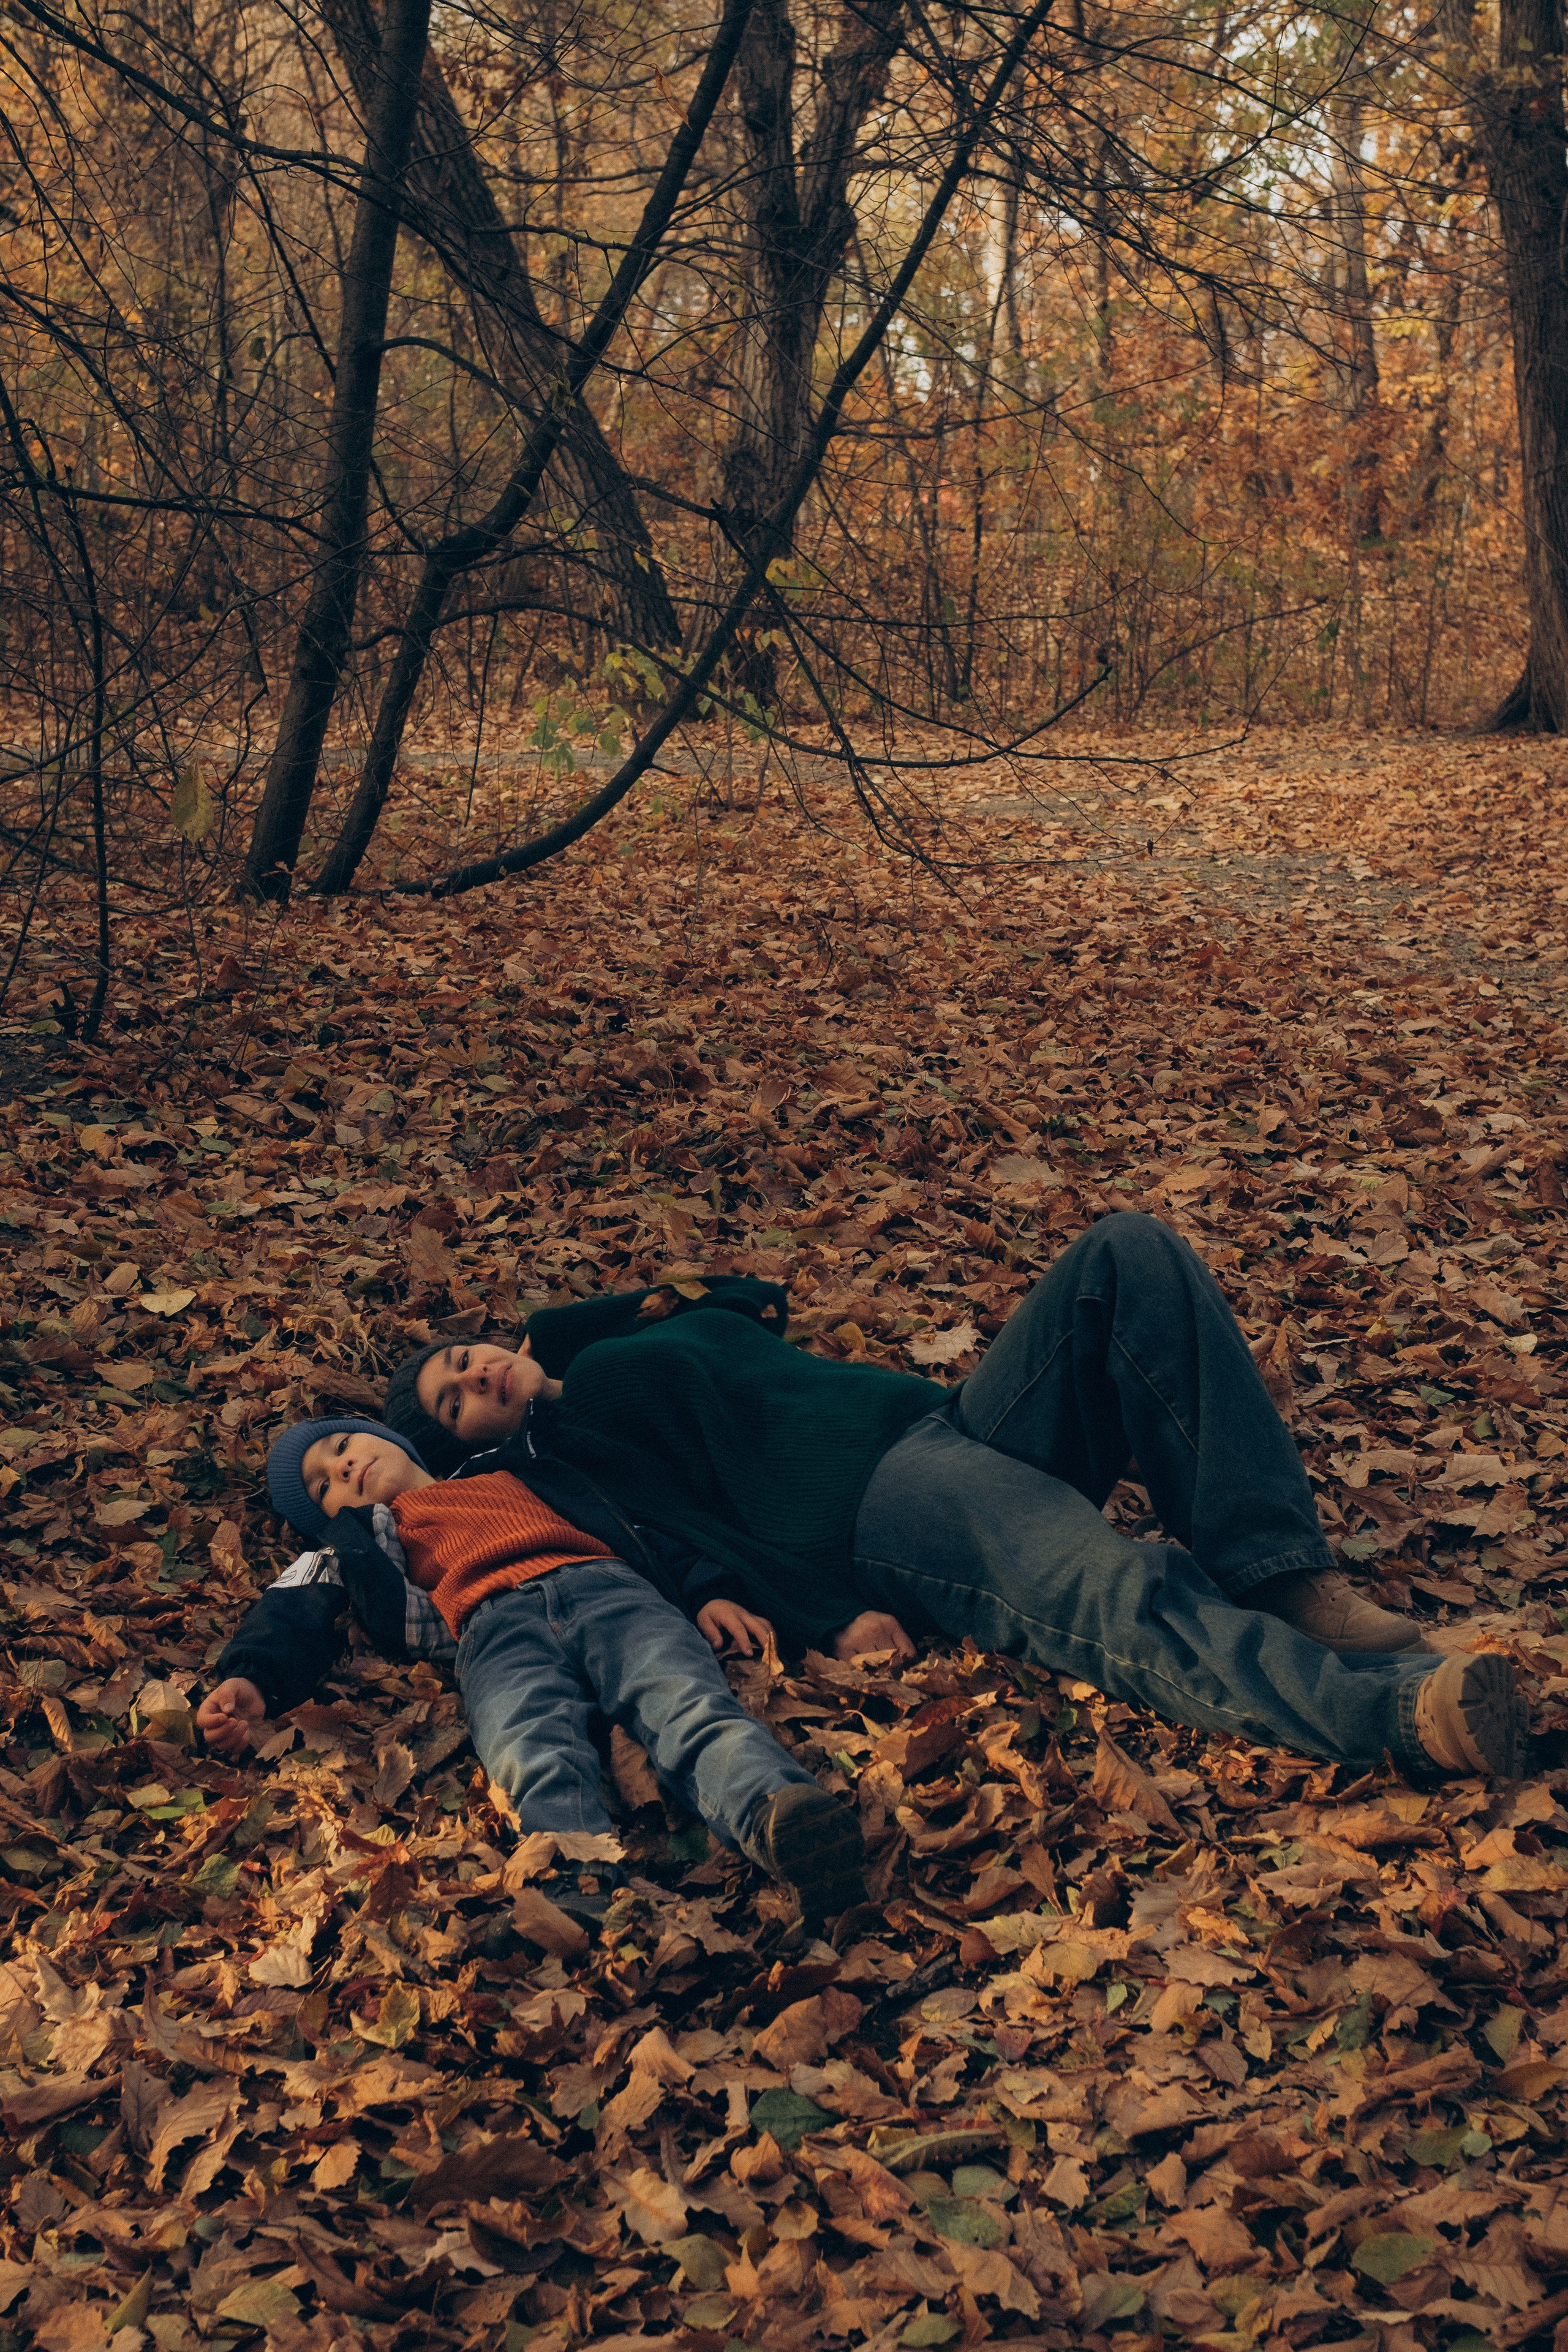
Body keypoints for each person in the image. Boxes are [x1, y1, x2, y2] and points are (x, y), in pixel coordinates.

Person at [380, 1213, 1527, 1782]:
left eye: (469, 1353)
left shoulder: (587, 1356)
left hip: (953, 1419)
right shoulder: (565, 1450)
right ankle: (1387, 1716)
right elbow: (670, 1534)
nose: (476, 1374)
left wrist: (554, 1335)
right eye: (457, 1399)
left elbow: (749, 1295)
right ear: (472, 1448)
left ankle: (1281, 1571)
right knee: (1113, 1586)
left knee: (1127, 1252)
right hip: (890, 1503)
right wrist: (824, 1614)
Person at [197, 1417, 867, 1921]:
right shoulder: (363, 1540)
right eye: (324, 1484)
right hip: (489, 1627)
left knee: (685, 1702)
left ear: (389, 1438)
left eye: (343, 1448)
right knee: (529, 1745)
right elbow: (295, 1602)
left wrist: (709, 1590)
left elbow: (639, 1528)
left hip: (607, 1589)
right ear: (327, 1517)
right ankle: (575, 1884)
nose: (344, 1469)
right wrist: (252, 1676)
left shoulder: (511, 1468)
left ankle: (776, 1813)